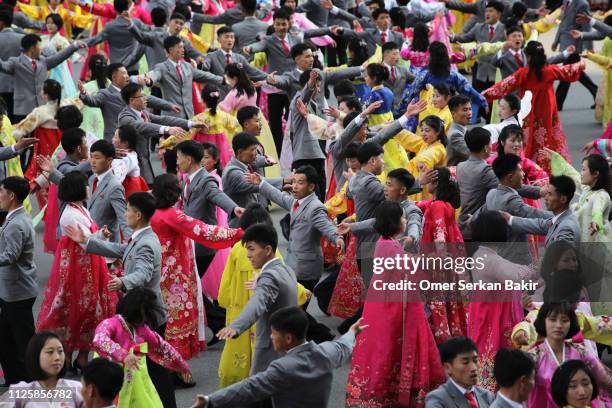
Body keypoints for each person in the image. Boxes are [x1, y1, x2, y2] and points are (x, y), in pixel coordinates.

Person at [66, 192, 176, 408]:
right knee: (151, 367)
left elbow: (143, 273)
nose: (124, 214)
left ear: (138, 214)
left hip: (146, 315)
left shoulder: (144, 242)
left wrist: (123, 281)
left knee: (154, 369)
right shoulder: (143, 237)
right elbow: (122, 250)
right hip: (145, 312)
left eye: (127, 210)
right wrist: (87, 242)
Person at [345, 201, 445, 406]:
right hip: (392, 308)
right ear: (394, 222)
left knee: (384, 348)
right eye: (402, 217)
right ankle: (396, 392)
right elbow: (412, 267)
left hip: (383, 304)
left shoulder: (385, 242)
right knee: (389, 347)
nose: (405, 220)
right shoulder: (389, 246)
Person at [193, 307, 367, 408]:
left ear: (288, 338)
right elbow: (344, 346)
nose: (271, 337)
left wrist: (210, 400)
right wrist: (353, 331)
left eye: (274, 333)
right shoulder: (326, 352)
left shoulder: (283, 367)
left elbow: (249, 387)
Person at [150, 173, 243, 360]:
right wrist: (239, 232)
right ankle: (177, 367)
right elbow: (203, 230)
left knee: (165, 319)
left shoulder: (153, 212)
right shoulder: (171, 215)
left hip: (162, 270)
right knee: (177, 319)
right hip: (175, 274)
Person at [36, 171, 118, 372]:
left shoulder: (78, 208)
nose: (88, 188)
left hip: (87, 265)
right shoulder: (70, 214)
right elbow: (85, 243)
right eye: (85, 185)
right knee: (78, 311)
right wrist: (99, 236)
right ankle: (73, 357)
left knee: (85, 310)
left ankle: (78, 357)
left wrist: (99, 235)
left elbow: (87, 237)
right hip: (79, 270)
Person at [482, 41, 585, 170]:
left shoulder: (524, 73)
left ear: (529, 57)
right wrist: (580, 64)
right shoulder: (551, 70)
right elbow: (568, 70)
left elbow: (504, 85)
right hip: (547, 114)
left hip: (527, 113)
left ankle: (525, 166)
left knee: (525, 138)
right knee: (547, 137)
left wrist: (484, 95)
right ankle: (546, 167)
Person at [469, 210, 539, 392]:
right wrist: (540, 266)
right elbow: (518, 275)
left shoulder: (483, 255)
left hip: (486, 315)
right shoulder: (490, 259)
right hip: (493, 320)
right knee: (495, 363)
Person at [217, 223, 298, 375]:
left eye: (251, 249)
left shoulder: (268, 277)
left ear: (268, 250)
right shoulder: (285, 269)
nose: (248, 254)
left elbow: (257, 302)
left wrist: (236, 326)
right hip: (287, 347)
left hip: (270, 351)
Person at [92, 288, 191, 408]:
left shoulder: (142, 330)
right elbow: (99, 339)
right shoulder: (111, 323)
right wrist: (124, 355)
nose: (146, 318)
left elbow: (162, 346)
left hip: (136, 380)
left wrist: (182, 366)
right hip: (110, 378)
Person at [417, 167, 468, 345]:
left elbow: (440, 238)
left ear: (436, 182)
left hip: (438, 266)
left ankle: (441, 344)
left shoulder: (438, 206)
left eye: (429, 179)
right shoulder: (440, 204)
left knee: (438, 307)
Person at [527, 302, 612, 407]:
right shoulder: (533, 357)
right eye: (553, 319)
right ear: (543, 321)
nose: (558, 325)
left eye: (565, 320)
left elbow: (605, 380)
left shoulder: (581, 352)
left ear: (571, 323)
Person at [0, 176, 37, 386]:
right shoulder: (17, 216)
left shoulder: (15, 223)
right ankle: (15, 378)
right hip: (13, 290)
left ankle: (30, 381)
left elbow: (10, 255)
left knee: (23, 342)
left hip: (17, 291)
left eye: (1, 191)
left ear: (11, 195)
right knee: (6, 338)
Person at [78, 62, 176, 143]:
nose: (127, 76)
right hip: (115, 140)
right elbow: (93, 101)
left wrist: (169, 106)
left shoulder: (131, 91)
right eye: (123, 74)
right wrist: (83, 93)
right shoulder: (106, 94)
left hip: (133, 138)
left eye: (127, 73)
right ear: (114, 77)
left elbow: (149, 99)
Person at [117, 83, 197, 180]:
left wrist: (191, 123)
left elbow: (163, 119)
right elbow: (142, 126)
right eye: (142, 96)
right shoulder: (125, 117)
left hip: (145, 164)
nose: (146, 99)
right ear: (132, 100)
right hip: (132, 168)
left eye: (145, 95)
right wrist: (168, 129)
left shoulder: (144, 113)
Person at [0, 33, 86, 122]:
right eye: (39, 46)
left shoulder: (43, 61)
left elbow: (60, 57)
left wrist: (74, 46)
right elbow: (3, 66)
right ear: (32, 48)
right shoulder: (15, 62)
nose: (41, 48)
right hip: (23, 109)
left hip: (42, 109)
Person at [0, 332, 85, 406]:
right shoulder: (21, 391)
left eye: (60, 351)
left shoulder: (76, 388)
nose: (57, 357)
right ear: (35, 356)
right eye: (50, 352)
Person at [501, 174, 581, 246]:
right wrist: (510, 219)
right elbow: (538, 224)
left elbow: (563, 258)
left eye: (550, 194)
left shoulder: (565, 228)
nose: (545, 198)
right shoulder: (560, 219)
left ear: (563, 199)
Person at [425, 336, 495, 408]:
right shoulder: (437, 399)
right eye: (465, 362)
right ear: (448, 367)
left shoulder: (487, 396)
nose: (473, 368)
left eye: (475, 361)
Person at [190, 85, 240, 167]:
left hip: (204, 151)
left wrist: (166, 143)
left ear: (203, 100)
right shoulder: (224, 116)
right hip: (222, 151)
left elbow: (186, 133)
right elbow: (236, 125)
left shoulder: (199, 119)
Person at [42, 13, 78, 99]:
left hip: (59, 70)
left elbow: (71, 54)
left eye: (52, 23)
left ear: (58, 25)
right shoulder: (42, 39)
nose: (49, 25)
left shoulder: (62, 40)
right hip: (44, 69)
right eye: (48, 23)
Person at [111, 124, 149, 198]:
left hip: (128, 195)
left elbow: (116, 179)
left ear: (125, 143)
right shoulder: (132, 153)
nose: (113, 139)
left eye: (115, 137)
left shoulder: (125, 158)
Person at [446, 94, 472, 166]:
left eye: (470, 109)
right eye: (465, 110)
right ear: (453, 113)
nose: (469, 113)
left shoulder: (462, 128)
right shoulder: (455, 134)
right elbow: (472, 155)